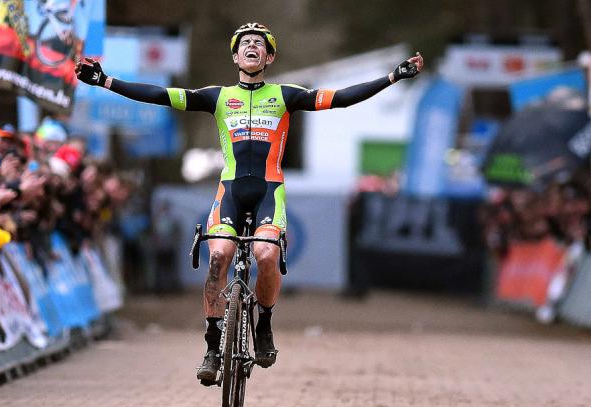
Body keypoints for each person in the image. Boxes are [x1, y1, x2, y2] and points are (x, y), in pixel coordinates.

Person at [75, 22, 423, 385]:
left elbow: (342, 97)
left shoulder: (287, 95)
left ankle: (265, 325)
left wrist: (393, 76)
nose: (252, 46)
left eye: (260, 43)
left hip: (269, 191)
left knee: (266, 255)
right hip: (230, 190)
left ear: (269, 57)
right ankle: (212, 346)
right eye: (246, 43)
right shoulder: (217, 96)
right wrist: (105, 81)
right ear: (235, 56)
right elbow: (160, 94)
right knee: (218, 258)